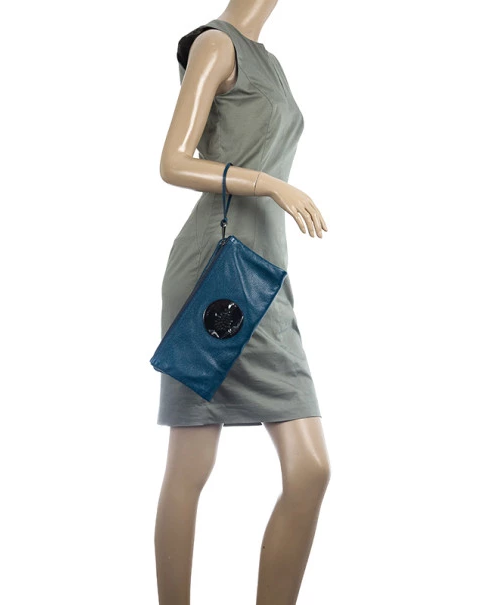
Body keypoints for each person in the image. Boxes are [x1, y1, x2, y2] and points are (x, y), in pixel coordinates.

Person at [154, 2, 331, 603]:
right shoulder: (216, 45)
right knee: (190, 463)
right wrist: (269, 183)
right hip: (217, 273)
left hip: (266, 273)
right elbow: (173, 162)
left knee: (310, 469)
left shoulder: (268, 61)